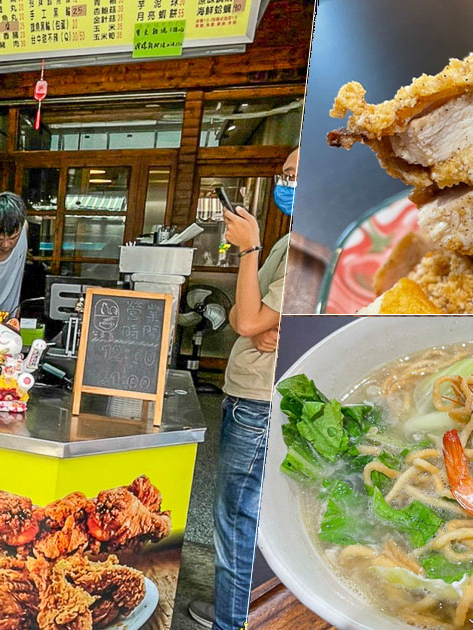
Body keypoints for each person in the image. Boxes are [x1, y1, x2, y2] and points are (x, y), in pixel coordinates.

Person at [189, 147, 297, 630]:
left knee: (237, 520)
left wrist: (248, 250)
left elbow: (250, 318)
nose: (287, 184)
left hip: (257, 402)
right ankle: (235, 607)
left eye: (296, 176)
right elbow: (238, 319)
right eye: (284, 174)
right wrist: (256, 323)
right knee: (239, 516)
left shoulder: (298, 248)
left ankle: (232, 621)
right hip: (246, 394)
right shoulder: (287, 242)